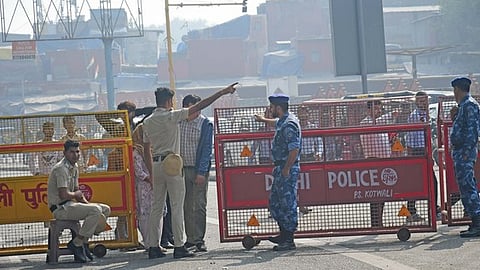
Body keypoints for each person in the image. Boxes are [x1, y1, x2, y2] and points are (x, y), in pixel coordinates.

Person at [142, 83, 237, 259]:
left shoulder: (147, 121)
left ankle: (153, 246)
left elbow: (146, 148)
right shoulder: (172, 116)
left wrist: (151, 170)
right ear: (169, 101)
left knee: (157, 208)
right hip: (172, 163)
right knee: (177, 206)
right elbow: (200, 105)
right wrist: (222, 92)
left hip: (155, 164)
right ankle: (179, 246)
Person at [47, 140, 111, 263]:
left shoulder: (74, 167)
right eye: (72, 152)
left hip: (71, 204)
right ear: (64, 153)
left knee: (105, 209)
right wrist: (78, 196)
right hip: (60, 208)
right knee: (95, 210)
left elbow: (77, 192)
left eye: (77, 152)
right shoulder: (61, 169)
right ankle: (77, 243)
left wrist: (87, 204)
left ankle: (83, 242)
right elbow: (64, 194)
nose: (75, 155)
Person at [254, 93, 301, 251]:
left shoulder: (289, 125)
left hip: (286, 167)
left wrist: (287, 168)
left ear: (278, 108)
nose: (270, 109)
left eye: (272, 107)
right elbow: (276, 122)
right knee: (275, 202)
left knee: (287, 203)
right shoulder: (283, 121)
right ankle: (283, 233)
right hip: (281, 167)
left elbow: (294, 149)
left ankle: (288, 238)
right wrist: (263, 120)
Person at [180, 94, 213, 253]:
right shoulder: (178, 121)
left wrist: (201, 171)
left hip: (198, 169)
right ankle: (190, 239)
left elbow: (207, 149)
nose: (194, 112)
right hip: (181, 170)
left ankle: (199, 239)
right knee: (186, 205)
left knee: (199, 205)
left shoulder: (205, 123)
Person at [449, 77, 480, 238]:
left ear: (458, 90)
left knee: (468, 188)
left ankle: (477, 221)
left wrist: (466, 152)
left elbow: (473, 132)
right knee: (466, 187)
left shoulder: (470, 106)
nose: (454, 93)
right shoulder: (463, 107)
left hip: (464, 153)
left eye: (455, 90)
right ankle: (474, 221)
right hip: (461, 152)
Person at [359, 100, 398, 227]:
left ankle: (379, 222)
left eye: (379, 109)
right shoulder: (365, 122)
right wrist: (391, 114)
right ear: (368, 110)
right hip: (372, 161)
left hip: (384, 161)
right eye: (376, 109)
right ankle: (375, 223)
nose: (379, 111)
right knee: (374, 194)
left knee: (383, 193)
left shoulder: (380, 123)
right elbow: (377, 122)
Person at [405, 91, 440, 221]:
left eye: (425, 100)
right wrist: (412, 154)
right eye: (420, 101)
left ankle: (433, 209)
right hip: (417, 151)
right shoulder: (414, 116)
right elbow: (410, 136)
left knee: (432, 181)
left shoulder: (428, 116)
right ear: (416, 102)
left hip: (427, 150)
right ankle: (412, 211)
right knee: (416, 182)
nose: (423, 103)